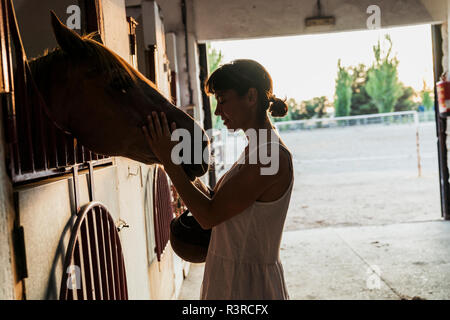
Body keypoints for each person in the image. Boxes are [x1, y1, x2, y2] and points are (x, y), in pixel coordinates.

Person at [142, 59, 294, 300]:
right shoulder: (257, 149)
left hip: (248, 286)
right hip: (232, 275)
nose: (217, 111)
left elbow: (209, 216)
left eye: (223, 100)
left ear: (251, 96)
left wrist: (169, 161)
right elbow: (221, 203)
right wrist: (182, 165)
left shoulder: (269, 156)